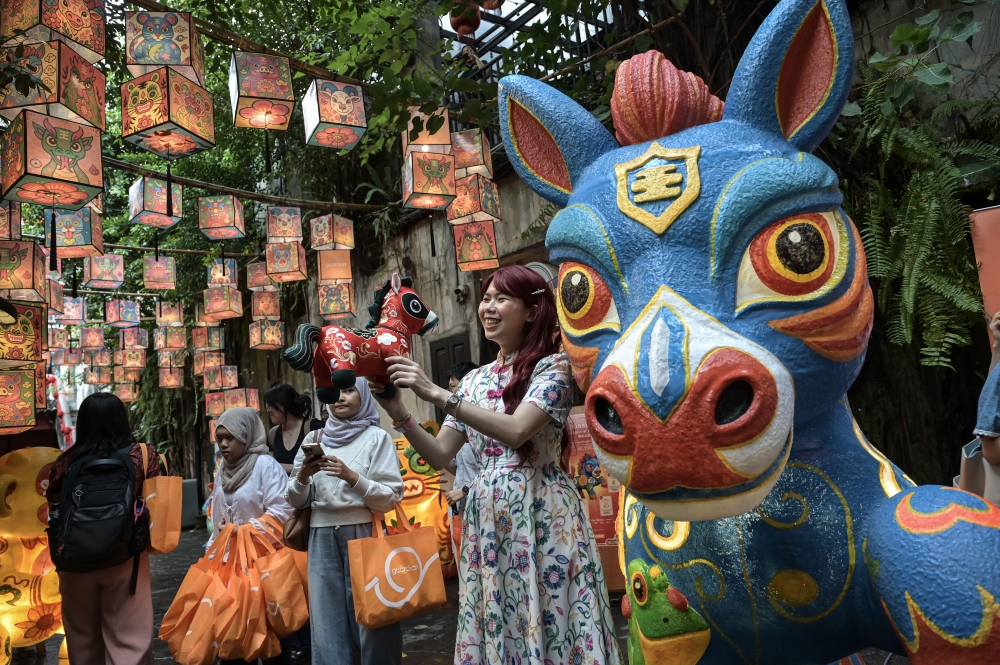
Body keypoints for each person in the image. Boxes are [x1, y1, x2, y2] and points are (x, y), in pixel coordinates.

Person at [371, 265, 622, 664]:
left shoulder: (553, 368)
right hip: (488, 517)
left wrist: (435, 392)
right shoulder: (473, 382)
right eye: (485, 298)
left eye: (501, 298)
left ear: (531, 310)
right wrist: (399, 410)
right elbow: (440, 455)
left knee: (555, 613)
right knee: (503, 616)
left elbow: (517, 431)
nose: (488, 307)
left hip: (543, 512)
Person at [286, 378, 405, 665]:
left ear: (363, 395)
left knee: (373, 621)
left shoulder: (377, 438)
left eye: (350, 390)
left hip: (364, 534)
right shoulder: (313, 439)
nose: (341, 397)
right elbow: (293, 499)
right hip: (320, 538)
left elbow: (390, 498)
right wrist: (302, 476)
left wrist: (352, 477)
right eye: (334, 391)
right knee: (326, 623)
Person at [48, 392, 159, 665]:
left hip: (74, 559)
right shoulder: (140, 456)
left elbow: (51, 499)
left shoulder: (66, 462)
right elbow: (158, 494)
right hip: (125, 556)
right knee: (129, 638)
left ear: (83, 423)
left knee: (82, 637)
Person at [207, 407, 295, 665]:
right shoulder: (224, 469)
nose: (223, 444)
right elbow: (218, 516)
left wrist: (244, 530)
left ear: (247, 435)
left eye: (230, 438)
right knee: (233, 634)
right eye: (220, 438)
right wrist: (213, 553)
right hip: (232, 565)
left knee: (271, 633)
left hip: (265, 562)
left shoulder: (265, 465)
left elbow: (283, 509)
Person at [442, 361, 479, 553]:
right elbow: (458, 468)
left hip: (482, 504)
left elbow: (494, 469)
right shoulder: (455, 423)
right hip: (459, 507)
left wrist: (465, 490)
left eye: (454, 388)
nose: (452, 394)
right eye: (450, 389)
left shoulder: (486, 423)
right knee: (464, 563)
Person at [265, 383, 324, 474]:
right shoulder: (273, 434)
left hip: (310, 486)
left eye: (270, 405)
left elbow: (321, 465)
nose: (268, 410)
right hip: (283, 487)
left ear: (283, 405)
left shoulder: (313, 427)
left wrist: (280, 466)